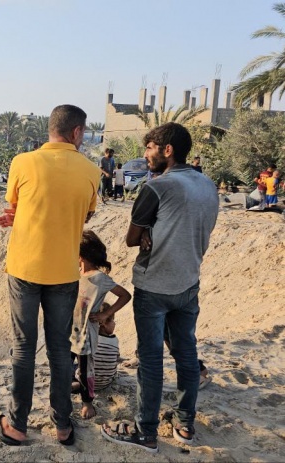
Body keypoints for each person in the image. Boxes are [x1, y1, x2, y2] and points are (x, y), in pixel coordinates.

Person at [0, 104, 99, 448]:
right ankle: (63, 426)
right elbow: (83, 218)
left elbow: (19, 205)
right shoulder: (92, 171)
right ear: (76, 132)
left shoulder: (22, 162)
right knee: (61, 351)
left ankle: (17, 425)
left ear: (51, 129)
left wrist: (18, 219)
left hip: (24, 268)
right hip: (64, 271)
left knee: (23, 348)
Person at [101, 122, 219, 453]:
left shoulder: (157, 188)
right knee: (186, 352)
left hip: (155, 285)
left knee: (151, 359)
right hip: (188, 282)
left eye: (150, 148)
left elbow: (130, 239)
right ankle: (184, 426)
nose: (145, 155)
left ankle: (146, 432)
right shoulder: (208, 185)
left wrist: (151, 230)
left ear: (167, 150)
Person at [71, 231, 132, 420]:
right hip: (69, 330)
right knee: (64, 364)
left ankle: (87, 403)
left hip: (87, 334)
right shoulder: (76, 272)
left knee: (85, 369)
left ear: (80, 254)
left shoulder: (100, 278)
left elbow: (125, 295)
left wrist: (105, 314)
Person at [93, 305, 120, 392]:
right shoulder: (115, 340)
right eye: (112, 320)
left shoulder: (89, 339)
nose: (114, 323)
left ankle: (75, 384)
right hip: (105, 384)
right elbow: (116, 358)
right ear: (103, 323)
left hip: (85, 382)